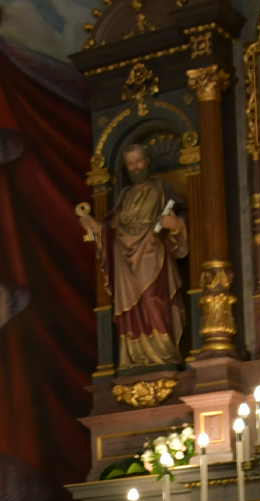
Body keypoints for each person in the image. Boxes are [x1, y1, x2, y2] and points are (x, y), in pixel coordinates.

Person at [78, 140, 189, 369]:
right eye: (131, 164)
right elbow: (109, 231)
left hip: (152, 253)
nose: (136, 167)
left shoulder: (162, 188)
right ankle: (135, 357)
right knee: (130, 309)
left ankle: (164, 353)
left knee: (153, 300)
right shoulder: (124, 196)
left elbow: (182, 219)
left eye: (139, 161)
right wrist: (93, 226)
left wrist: (176, 225)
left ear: (147, 162)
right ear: (127, 168)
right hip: (123, 259)